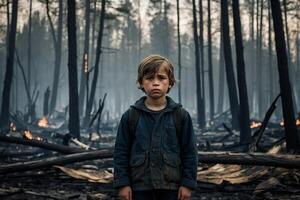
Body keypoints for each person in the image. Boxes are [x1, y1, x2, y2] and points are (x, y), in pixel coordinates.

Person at [114, 55, 198, 200]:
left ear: (170, 82)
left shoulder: (180, 116)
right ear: (141, 82)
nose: (156, 83)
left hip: (171, 187)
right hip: (139, 187)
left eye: (161, 78)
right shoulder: (131, 116)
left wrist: (187, 184)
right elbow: (121, 152)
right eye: (149, 78)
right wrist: (123, 184)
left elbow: (190, 152)